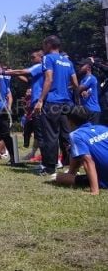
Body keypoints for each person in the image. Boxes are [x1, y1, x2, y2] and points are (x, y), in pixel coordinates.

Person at [33, 35, 79, 175]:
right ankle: (74, 166)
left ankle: (50, 168)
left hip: (53, 102)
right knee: (67, 136)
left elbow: (49, 79)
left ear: (49, 45)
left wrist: (40, 100)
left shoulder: (48, 58)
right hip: (67, 103)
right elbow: (76, 84)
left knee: (51, 136)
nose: (43, 47)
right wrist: (64, 88)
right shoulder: (67, 61)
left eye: (44, 44)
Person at [53, 107, 108, 195]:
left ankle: (71, 176)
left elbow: (88, 161)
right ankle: (71, 173)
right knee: (75, 150)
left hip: (104, 177)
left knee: (58, 177)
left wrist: (94, 191)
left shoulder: (76, 135)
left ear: (70, 121)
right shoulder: (102, 128)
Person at [78, 58, 101, 124]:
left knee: (92, 132)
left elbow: (78, 89)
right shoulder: (83, 80)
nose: (80, 67)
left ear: (88, 67)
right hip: (86, 110)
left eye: (82, 66)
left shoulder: (91, 78)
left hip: (93, 110)